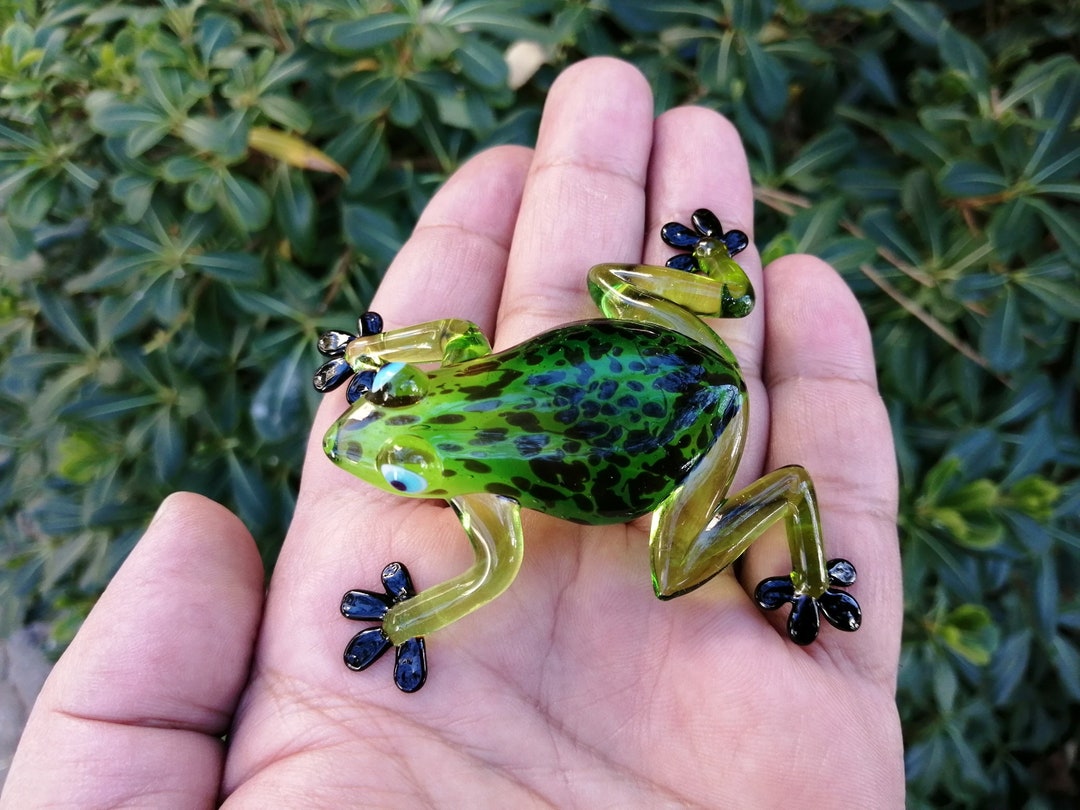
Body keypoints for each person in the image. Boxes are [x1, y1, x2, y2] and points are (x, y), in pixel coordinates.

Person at [1, 58, 904, 806]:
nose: (359, 438)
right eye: (386, 409)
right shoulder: (466, 388)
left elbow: (492, 568)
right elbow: (459, 348)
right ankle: (723, 285)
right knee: (612, 280)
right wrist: (378, 353)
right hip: (675, 355)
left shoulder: (483, 494)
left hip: (696, 425)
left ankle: (794, 516)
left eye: (388, 440)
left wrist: (405, 616)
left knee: (670, 570)